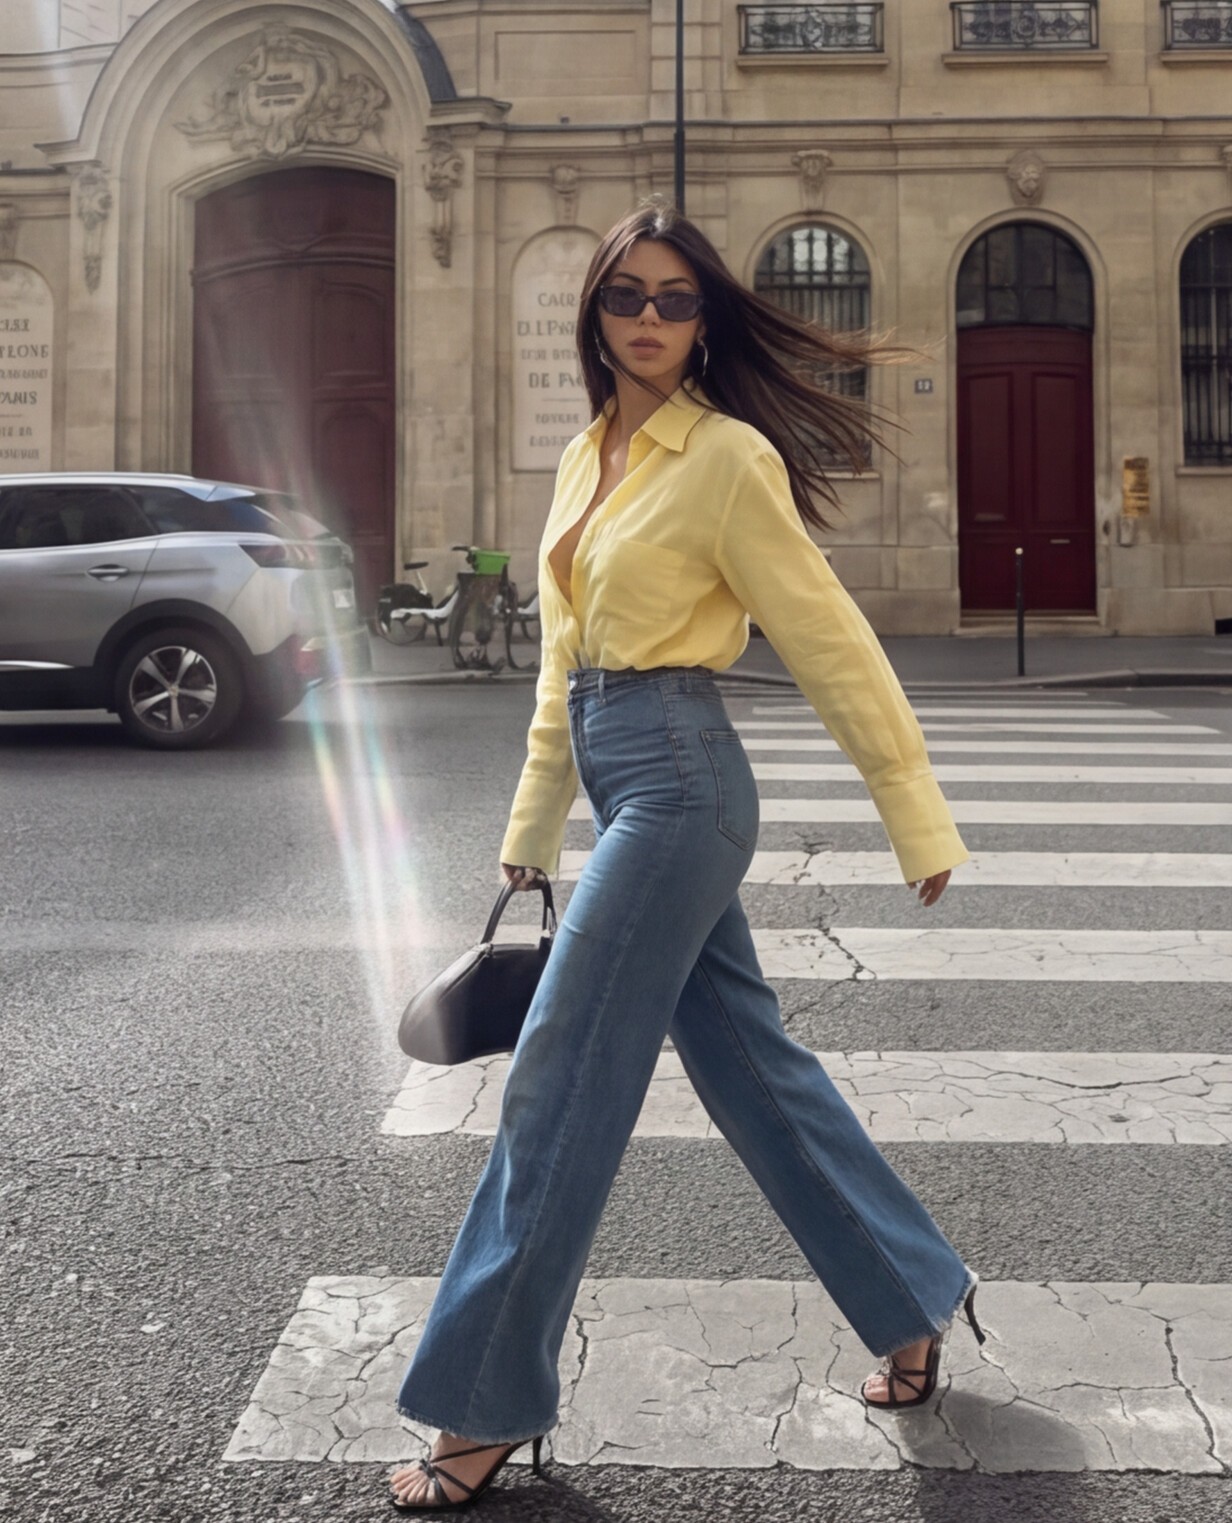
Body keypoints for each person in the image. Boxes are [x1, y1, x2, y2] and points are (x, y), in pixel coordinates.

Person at [388, 199, 984, 1512]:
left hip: (685, 784)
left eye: (674, 300)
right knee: (752, 1070)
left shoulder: (724, 460)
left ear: (704, 322)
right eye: (626, 298)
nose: (649, 320)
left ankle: (482, 1401)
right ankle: (913, 1295)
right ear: (594, 315)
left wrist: (912, 809)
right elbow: (561, 667)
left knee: (558, 1080)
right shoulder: (583, 457)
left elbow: (826, 636)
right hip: (622, 777)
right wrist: (531, 832)